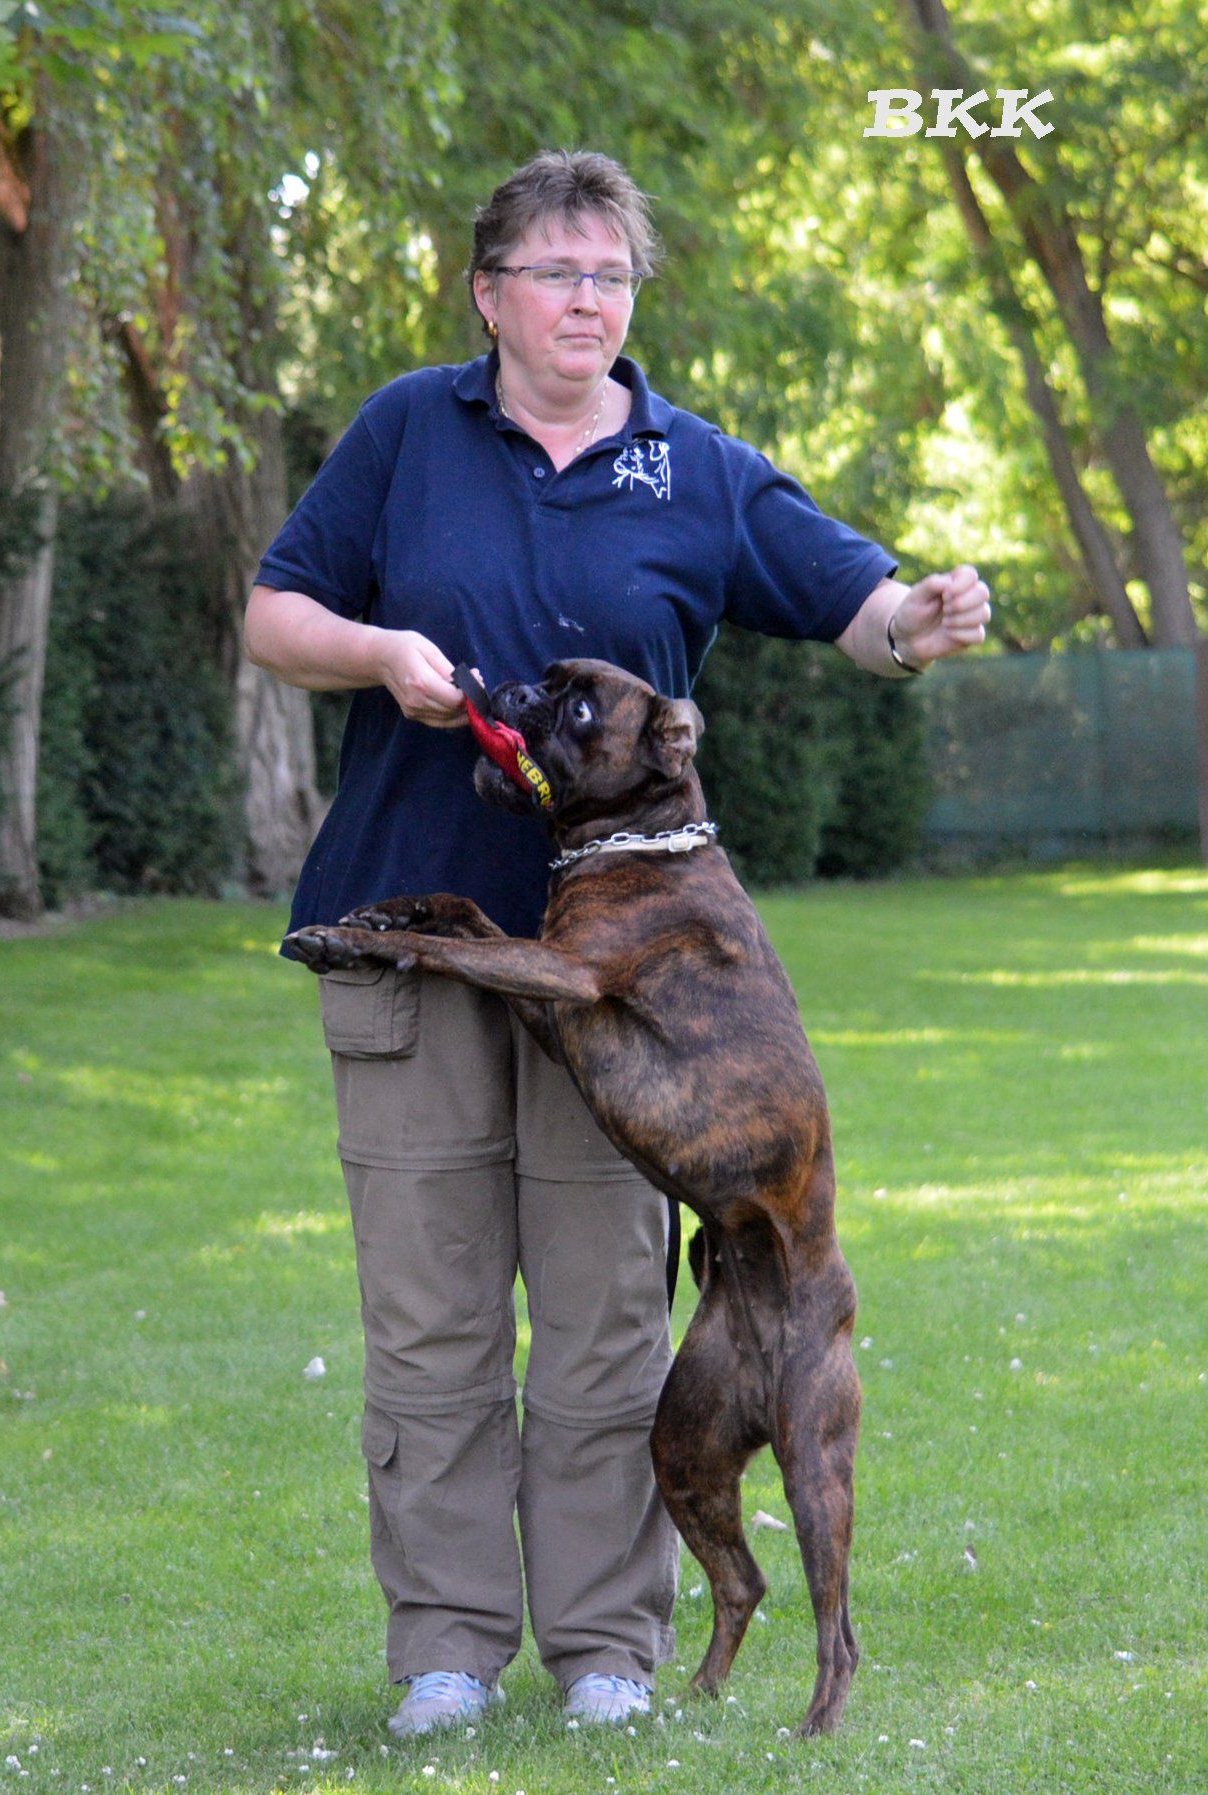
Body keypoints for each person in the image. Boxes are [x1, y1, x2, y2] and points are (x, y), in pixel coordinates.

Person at [244, 149, 990, 1739]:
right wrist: (378, 651)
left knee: (601, 1321)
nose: (588, 300)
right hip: (414, 934)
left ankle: (604, 1652)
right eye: (557, 272)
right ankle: (446, 1652)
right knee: (431, 1318)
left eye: (612, 275)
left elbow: (851, 597)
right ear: (488, 293)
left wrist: (913, 625)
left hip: (631, 993)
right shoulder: (406, 433)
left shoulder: (689, 464)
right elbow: (275, 614)